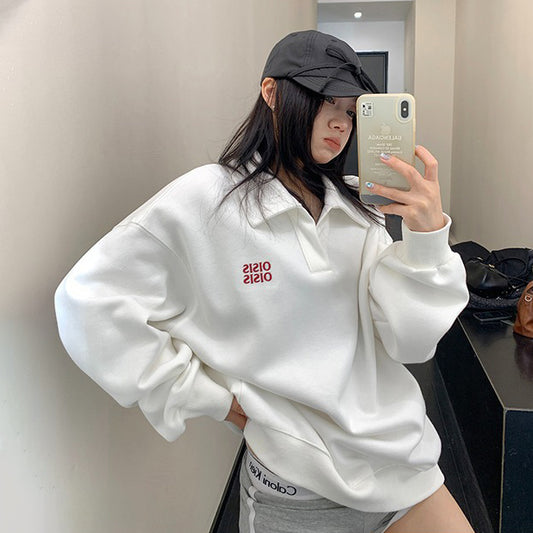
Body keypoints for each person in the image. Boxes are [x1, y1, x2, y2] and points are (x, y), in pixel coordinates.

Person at [55, 30, 475, 533]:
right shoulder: (209, 199)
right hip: (297, 493)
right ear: (272, 93)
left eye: (351, 110)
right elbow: (89, 299)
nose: (341, 123)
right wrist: (207, 397)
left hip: (403, 466)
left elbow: (411, 343)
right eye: (326, 100)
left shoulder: (358, 212)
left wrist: (426, 240)